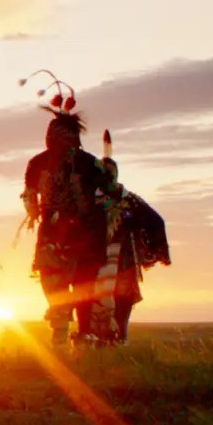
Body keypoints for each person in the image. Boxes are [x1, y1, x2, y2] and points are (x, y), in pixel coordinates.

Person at [21, 77, 109, 347]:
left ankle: (82, 334)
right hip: (53, 232)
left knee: (83, 285)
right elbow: (29, 194)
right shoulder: (37, 163)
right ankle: (61, 330)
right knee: (53, 282)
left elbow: (106, 192)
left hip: (84, 231)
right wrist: (34, 209)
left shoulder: (90, 163)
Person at [89, 131, 170, 344]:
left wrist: (151, 247)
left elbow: (155, 221)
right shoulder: (89, 201)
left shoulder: (129, 200)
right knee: (96, 303)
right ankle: (102, 342)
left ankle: (119, 340)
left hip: (122, 260)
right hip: (97, 261)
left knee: (121, 302)